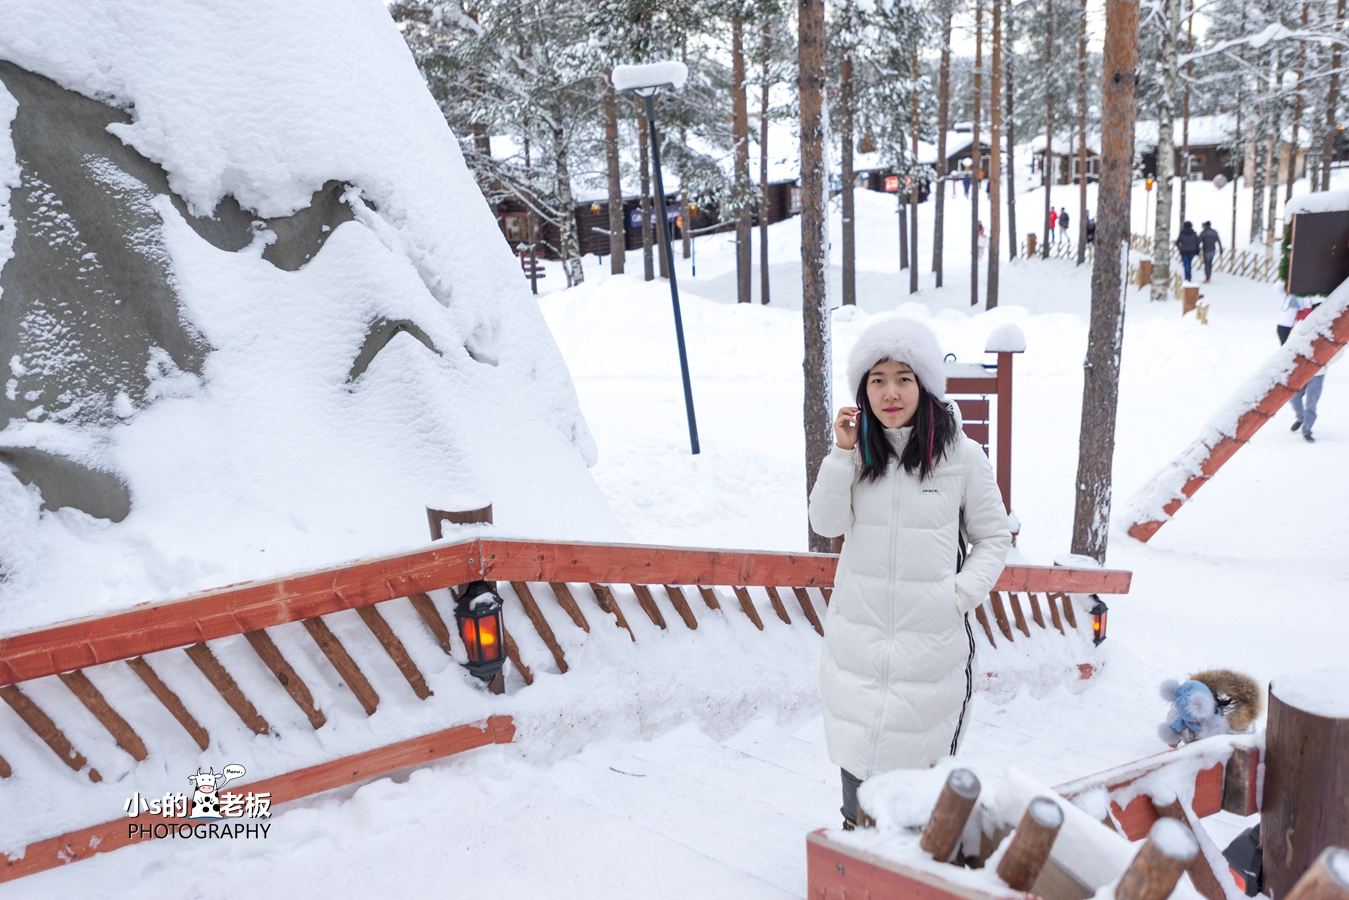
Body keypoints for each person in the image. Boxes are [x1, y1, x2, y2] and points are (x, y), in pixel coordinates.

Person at [809, 318, 1011, 830]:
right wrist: (840, 452)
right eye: (877, 379)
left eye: (903, 377)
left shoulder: (963, 457)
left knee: (916, 801)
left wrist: (957, 595)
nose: (890, 392)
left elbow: (994, 538)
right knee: (858, 784)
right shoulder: (856, 456)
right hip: (858, 651)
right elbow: (826, 523)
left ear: (924, 385)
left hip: (930, 654)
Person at [1277, 288, 1340, 443]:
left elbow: (1338, 351)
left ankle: (1307, 430)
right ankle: (1300, 417)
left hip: (1318, 373)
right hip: (1302, 369)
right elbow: (1292, 341)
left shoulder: (1331, 331)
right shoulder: (1302, 326)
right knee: (1294, 398)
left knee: (1311, 403)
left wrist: (1324, 362)